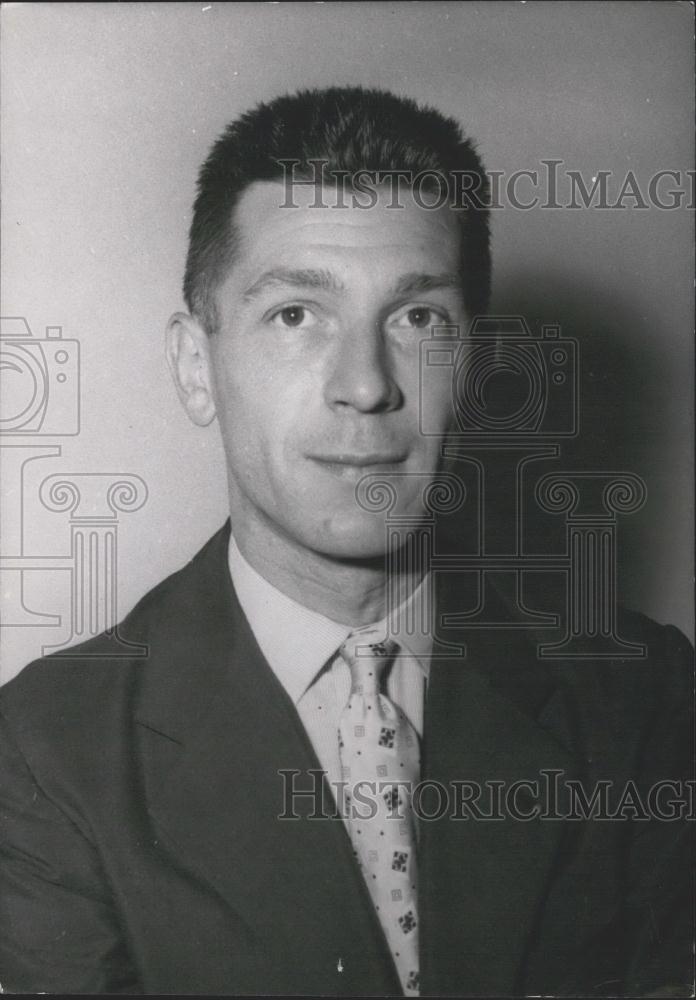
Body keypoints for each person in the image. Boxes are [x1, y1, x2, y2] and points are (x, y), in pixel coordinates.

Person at [0, 87, 692, 997]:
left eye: (418, 319)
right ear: (195, 368)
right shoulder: (46, 750)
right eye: (296, 314)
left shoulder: (647, 698)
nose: (365, 386)